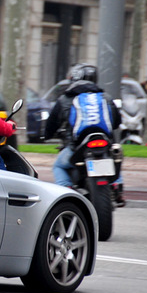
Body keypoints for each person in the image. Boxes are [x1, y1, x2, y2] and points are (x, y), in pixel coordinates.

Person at [44, 63, 125, 205]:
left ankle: (65, 190)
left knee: (59, 166)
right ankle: (116, 185)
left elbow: (51, 124)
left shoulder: (65, 98)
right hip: (104, 142)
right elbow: (117, 121)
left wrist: (47, 135)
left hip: (77, 146)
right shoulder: (104, 96)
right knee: (113, 157)